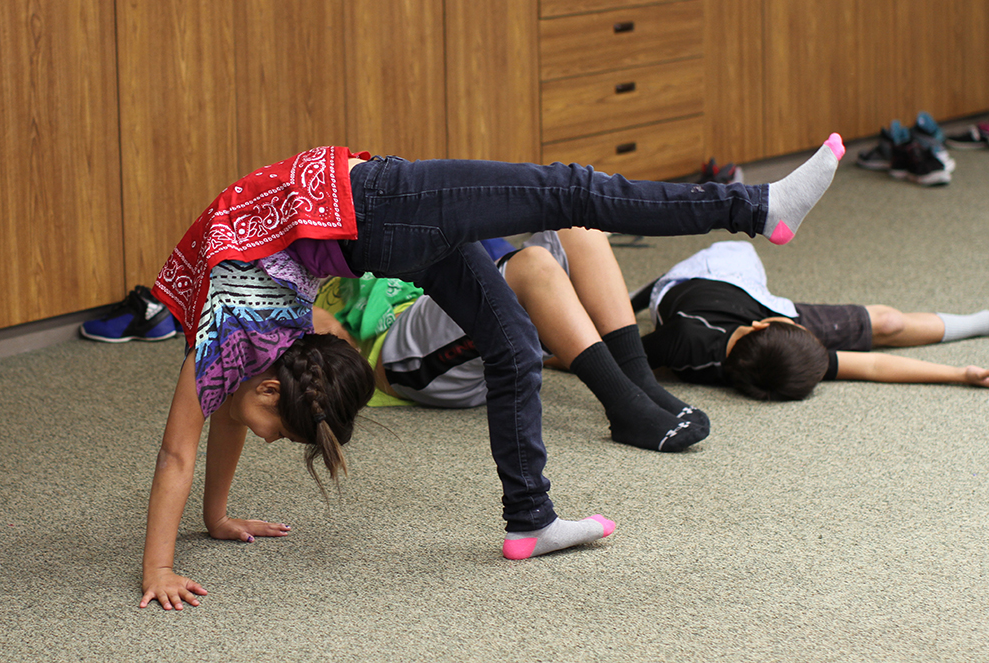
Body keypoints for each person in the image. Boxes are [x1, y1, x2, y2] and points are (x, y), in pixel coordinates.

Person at [140, 136, 845, 610]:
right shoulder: (246, 357)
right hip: (375, 227)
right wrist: (214, 518)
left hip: (386, 204)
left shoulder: (237, 342)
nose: (268, 437)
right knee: (511, 342)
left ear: (268, 386)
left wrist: (157, 570)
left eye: (278, 429)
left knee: (568, 191)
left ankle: (756, 208)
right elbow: (223, 414)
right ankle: (529, 520)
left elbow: (182, 448)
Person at [333, 228, 708, 453]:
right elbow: (328, 347)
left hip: (433, 310)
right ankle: (625, 407)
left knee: (578, 228)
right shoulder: (294, 271)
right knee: (531, 267)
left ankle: (637, 378)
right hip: (400, 358)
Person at [633, 240, 989, 400]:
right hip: (740, 284)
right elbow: (874, 367)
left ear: (763, 325)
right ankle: (977, 321)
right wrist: (961, 375)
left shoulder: (682, 338)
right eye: (798, 326)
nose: (801, 324)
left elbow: (618, 352)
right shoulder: (779, 365)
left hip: (711, 281)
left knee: (890, 324)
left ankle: (978, 322)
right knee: (890, 323)